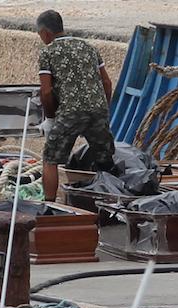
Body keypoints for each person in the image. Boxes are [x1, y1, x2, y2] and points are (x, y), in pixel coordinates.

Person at [35, 10, 115, 202]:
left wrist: (51, 119)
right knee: (105, 160)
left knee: (50, 158)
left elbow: (45, 92)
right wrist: (103, 110)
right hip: (98, 109)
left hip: (71, 112)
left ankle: (49, 205)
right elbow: (107, 83)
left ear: (45, 33)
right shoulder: (88, 47)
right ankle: (113, 201)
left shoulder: (48, 52)